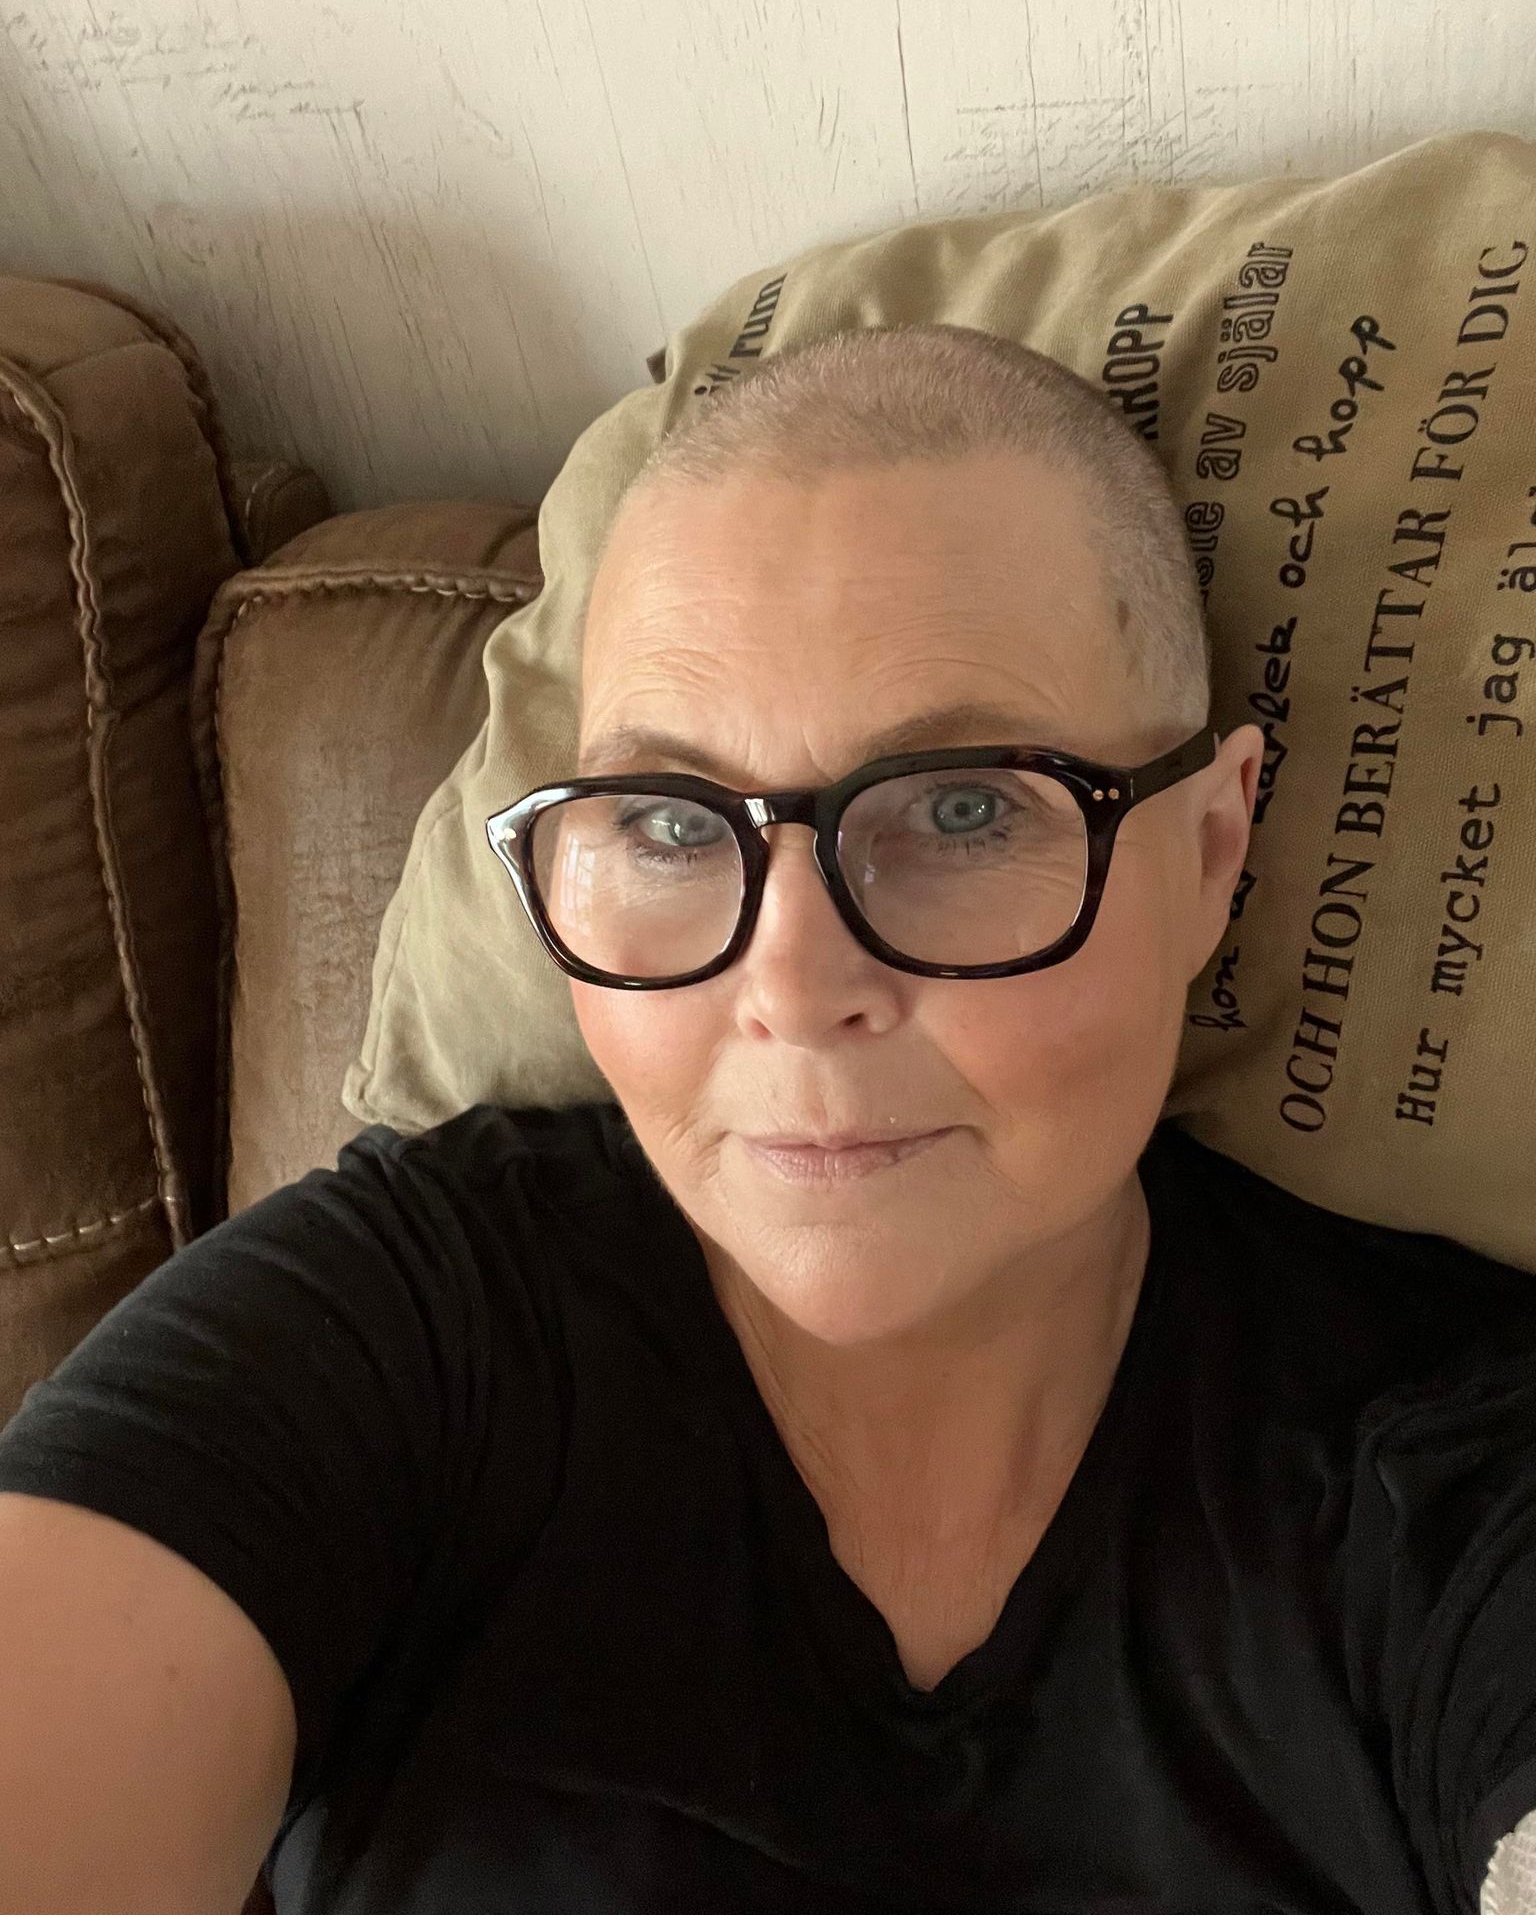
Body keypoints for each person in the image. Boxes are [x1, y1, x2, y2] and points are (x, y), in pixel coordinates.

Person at [0, 323, 1532, 1915]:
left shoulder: (1451, 1466)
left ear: (1210, 852)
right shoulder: (395, 1332)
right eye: (671, 824)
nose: (790, 987)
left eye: (959, 808)